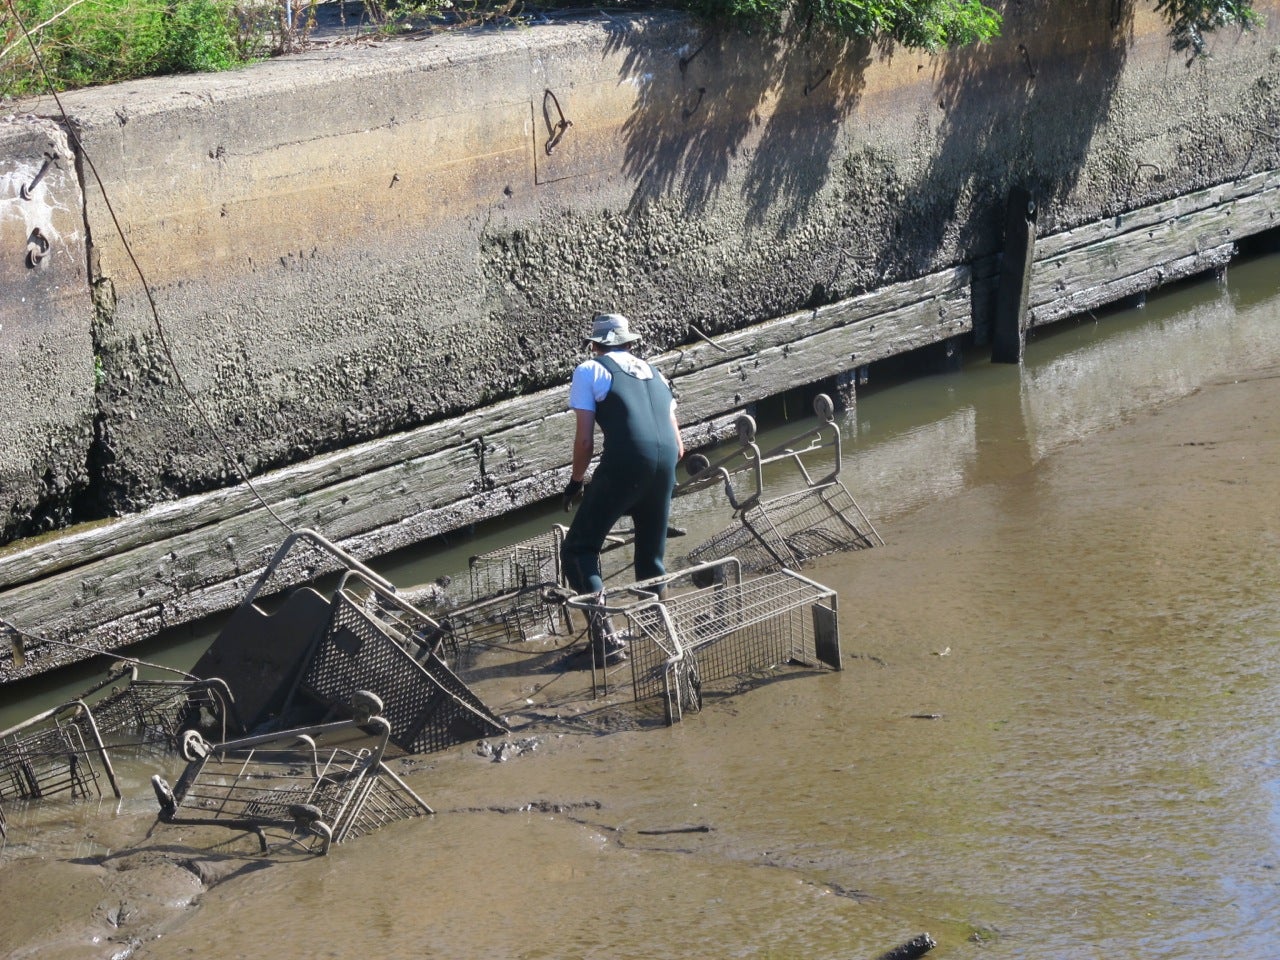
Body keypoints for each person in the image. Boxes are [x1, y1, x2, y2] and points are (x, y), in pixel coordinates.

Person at [560, 312, 684, 663]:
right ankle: (654, 628)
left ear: (596, 345)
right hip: (665, 467)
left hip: (625, 463)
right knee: (650, 555)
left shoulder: (590, 369)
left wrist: (575, 483)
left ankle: (606, 642)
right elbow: (679, 446)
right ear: (630, 343)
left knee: (578, 550)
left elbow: (585, 441)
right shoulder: (656, 374)